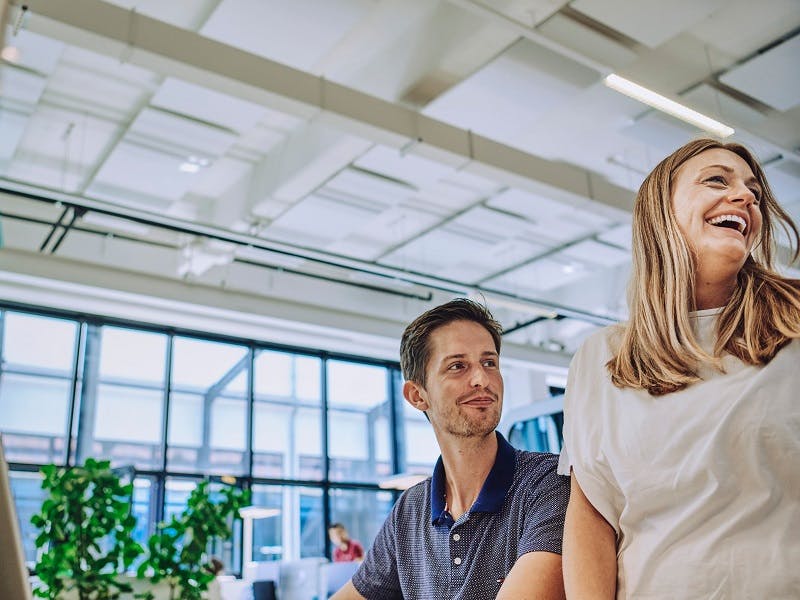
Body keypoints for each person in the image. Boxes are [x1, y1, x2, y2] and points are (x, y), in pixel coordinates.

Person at [560, 138, 800, 598]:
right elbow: (592, 516)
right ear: (660, 213)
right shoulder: (599, 358)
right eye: (717, 180)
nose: (747, 197)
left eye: (754, 190)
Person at [331, 298, 570, 600]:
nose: (482, 379)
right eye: (458, 366)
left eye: (489, 362)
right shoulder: (409, 511)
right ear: (417, 395)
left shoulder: (548, 483)